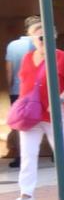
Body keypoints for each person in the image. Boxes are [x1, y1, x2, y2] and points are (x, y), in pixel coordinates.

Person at [7, 16, 64, 200]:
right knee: (28, 153)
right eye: (38, 35)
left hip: (56, 111)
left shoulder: (62, 57)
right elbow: (25, 85)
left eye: (46, 35)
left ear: (53, 36)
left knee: (63, 151)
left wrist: (59, 100)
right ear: (31, 37)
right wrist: (22, 107)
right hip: (32, 113)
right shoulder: (28, 58)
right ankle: (26, 194)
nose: (41, 39)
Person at [4, 21, 31, 169]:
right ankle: (55, 154)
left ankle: (21, 157)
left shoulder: (13, 45)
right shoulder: (43, 45)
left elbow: (9, 70)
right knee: (46, 121)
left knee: (20, 125)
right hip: (38, 91)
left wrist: (10, 88)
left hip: (17, 91)